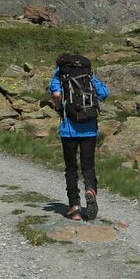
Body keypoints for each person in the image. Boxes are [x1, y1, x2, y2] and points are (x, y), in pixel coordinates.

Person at [48, 54, 109, 221]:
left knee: (71, 167)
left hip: (69, 130)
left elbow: (56, 95)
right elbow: (104, 93)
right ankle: (90, 189)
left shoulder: (59, 75)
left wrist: (59, 107)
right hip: (90, 129)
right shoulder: (89, 76)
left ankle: (74, 207)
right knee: (88, 165)